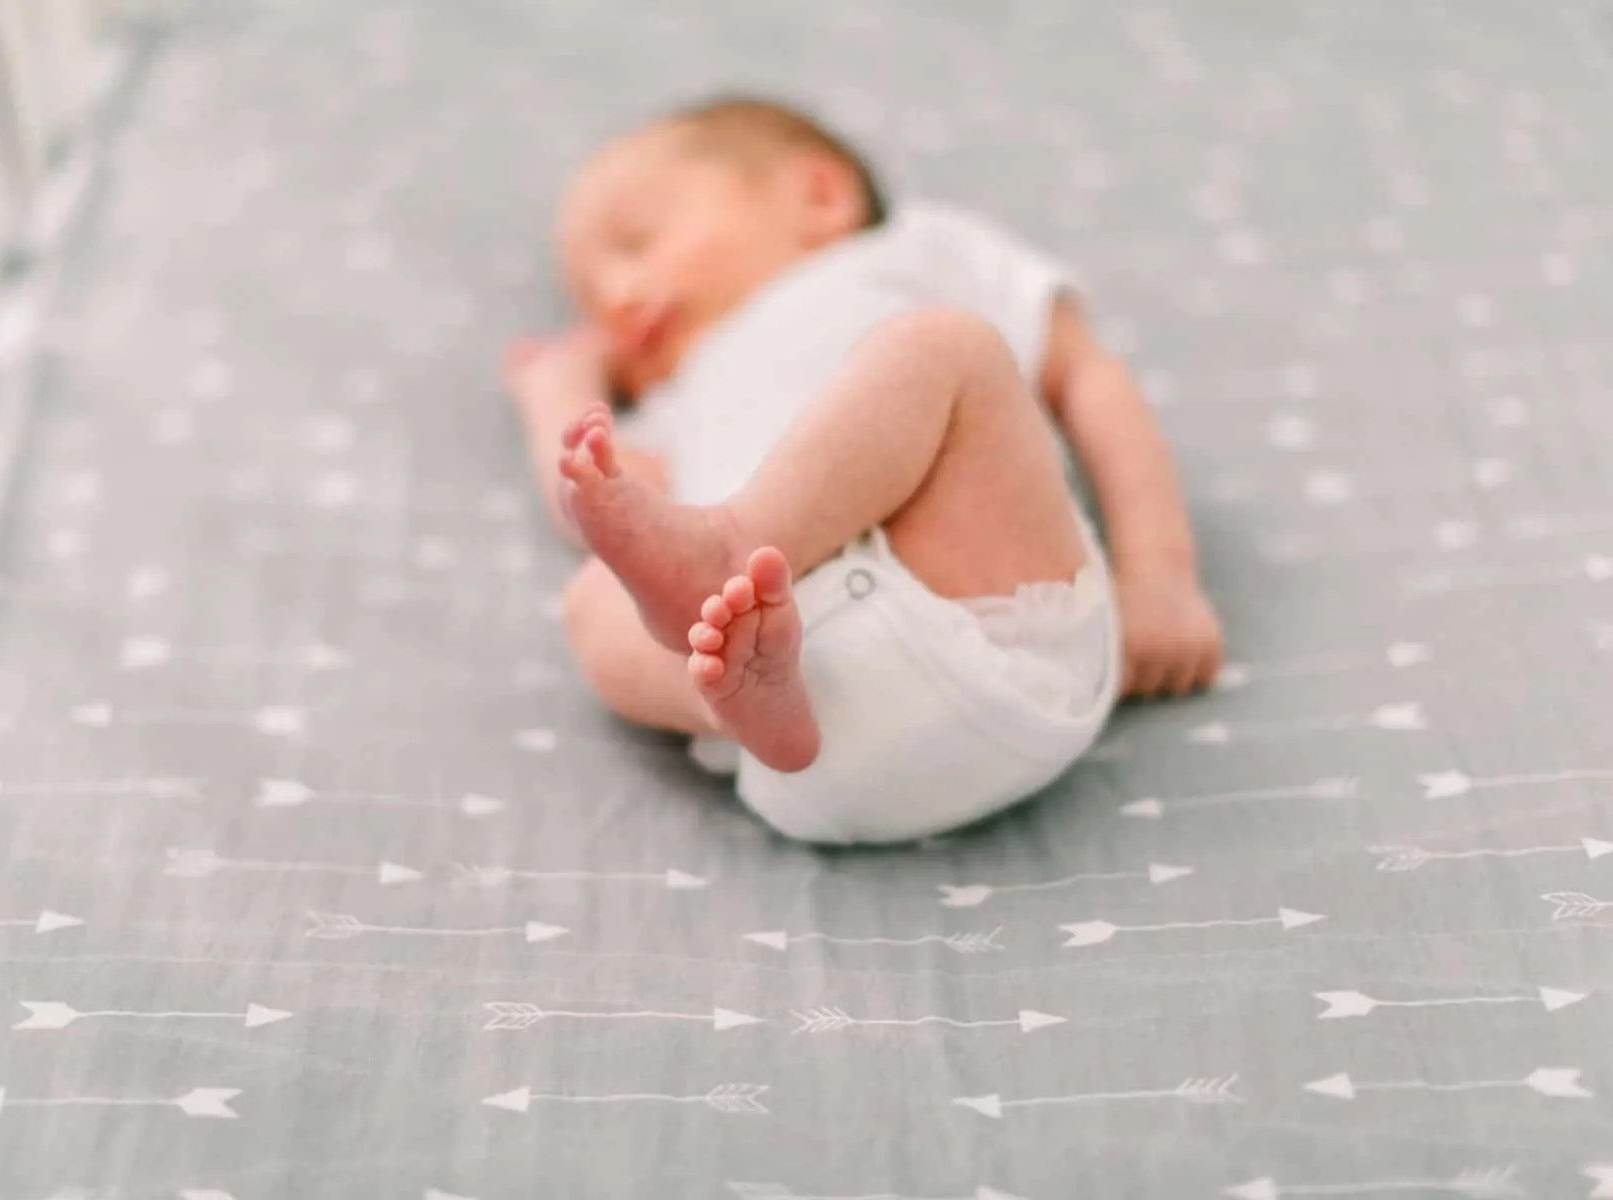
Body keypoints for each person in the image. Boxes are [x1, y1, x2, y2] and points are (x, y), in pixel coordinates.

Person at [502, 96, 1222, 844]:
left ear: (818, 197)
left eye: (638, 239)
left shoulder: (915, 252)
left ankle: (732, 546)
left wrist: (1160, 576)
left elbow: (1087, 380)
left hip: (987, 613)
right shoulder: (680, 396)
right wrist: (561, 395)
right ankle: (721, 696)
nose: (616, 298)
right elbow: (606, 508)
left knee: (946, 350)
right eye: (589, 297)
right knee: (593, 598)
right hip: (802, 722)